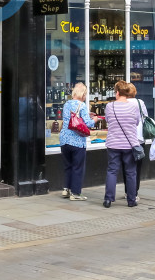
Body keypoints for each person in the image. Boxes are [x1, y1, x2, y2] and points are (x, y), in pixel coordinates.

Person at [103, 80, 143, 208]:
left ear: (118, 93)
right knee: (131, 172)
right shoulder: (134, 106)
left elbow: (108, 121)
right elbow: (136, 122)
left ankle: (108, 199)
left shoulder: (110, 106)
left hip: (113, 143)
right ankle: (131, 200)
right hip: (130, 144)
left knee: (112, 171)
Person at [59, 83, 97, 201]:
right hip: (77, 141)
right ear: (83, 94)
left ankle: (66, 189)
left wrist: (86, 115)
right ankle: (75, 193)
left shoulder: (66, 104)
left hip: (64, 139)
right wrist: (94, 119)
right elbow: (88, 124)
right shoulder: (82, 105)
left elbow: (71, 118)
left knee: (68, 166)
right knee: (77, 167)